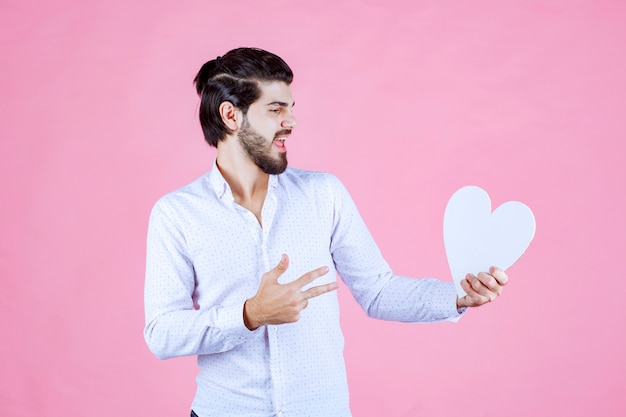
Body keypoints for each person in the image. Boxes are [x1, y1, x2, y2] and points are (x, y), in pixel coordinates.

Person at [144, 47, 507, 417]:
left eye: (291, 107)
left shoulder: (323, 194)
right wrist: (250, 314)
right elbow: (161, 332)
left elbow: (378, 290)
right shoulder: (177, 214)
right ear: (231, 115)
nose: (292, 121)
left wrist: (458, 296)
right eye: (275, 109)